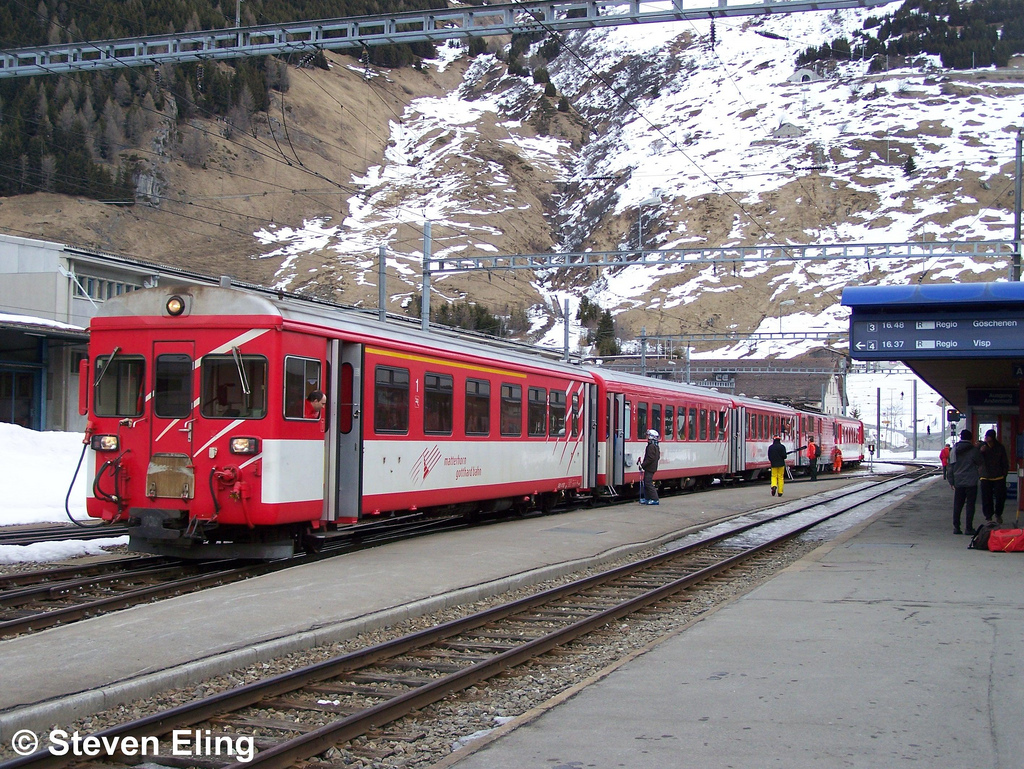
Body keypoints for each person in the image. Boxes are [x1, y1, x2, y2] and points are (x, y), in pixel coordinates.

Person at [948, 429, 982, 535]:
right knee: (970, 505)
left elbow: (950, 467)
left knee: (958, 505)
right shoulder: (973, 450)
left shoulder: (954, 449)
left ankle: (956, 527)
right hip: (971, 482)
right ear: (970, 438)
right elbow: (980, 462)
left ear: (961, 437)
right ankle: (968, 528)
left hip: (959, 482)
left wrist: (951, 481)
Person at [978, 429, 1009, 525]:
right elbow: (977, 459)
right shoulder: (981, 447)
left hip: (998, 476)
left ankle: (998, 514)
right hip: (985, 476)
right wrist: (980, 451)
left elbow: (1004, 461)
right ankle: (988, 516)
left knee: (1000, 497)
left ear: (993, 437)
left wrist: (1004, 473)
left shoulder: (999, 447)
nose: (986, 438)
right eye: (986, 436)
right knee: (986, 498)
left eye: (988, 436)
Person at [639, 429, 660, 505]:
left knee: (648, 483)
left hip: (649, 468)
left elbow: (650, 458)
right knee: (646, 482)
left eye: (648, 435)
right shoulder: (656, 446)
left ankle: (655, 499)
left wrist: (643, 465)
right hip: (652, 467)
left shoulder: (651, 446)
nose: (647, 437)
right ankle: (647, 498)